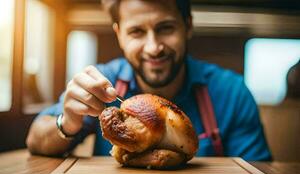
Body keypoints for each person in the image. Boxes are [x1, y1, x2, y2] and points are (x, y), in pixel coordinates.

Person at [26, 0, 272, 161]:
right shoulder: (103, 83)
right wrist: (67, 122)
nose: (153, 48)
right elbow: (36, 139)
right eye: (137, 32)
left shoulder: (231, 92)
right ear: (119, 35)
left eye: (165, 28)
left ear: (187, 26)